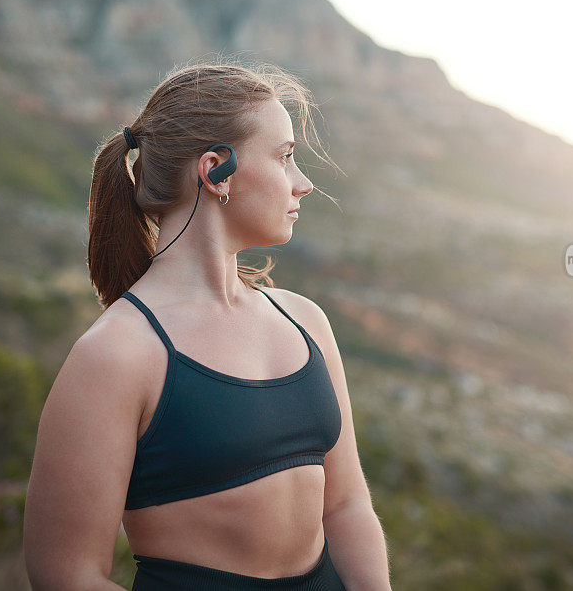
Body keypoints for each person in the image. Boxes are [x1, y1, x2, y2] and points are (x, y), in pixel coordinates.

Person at [22, 60, 392, 590]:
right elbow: (65, 574)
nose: (304, 183)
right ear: (216, 169)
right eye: (286, 157)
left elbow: (348, 504)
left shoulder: (305, 321)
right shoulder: (117, 354)